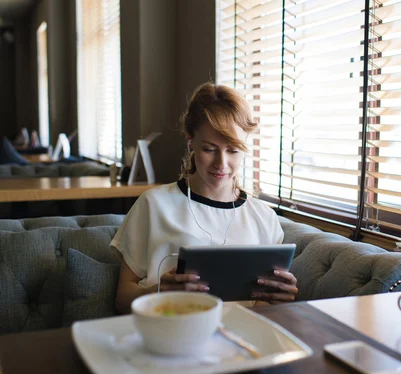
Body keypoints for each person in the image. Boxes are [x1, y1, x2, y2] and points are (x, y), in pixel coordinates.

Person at [110, 82, 298, 313]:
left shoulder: (264, 217)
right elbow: (122, 300)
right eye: (209, 149)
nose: (221, 163)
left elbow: (262, 307)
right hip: (170, 330)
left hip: (239, 339)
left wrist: (277, 299)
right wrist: (157, 293)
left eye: (233, 150)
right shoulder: (153, 204)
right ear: (191, 142)